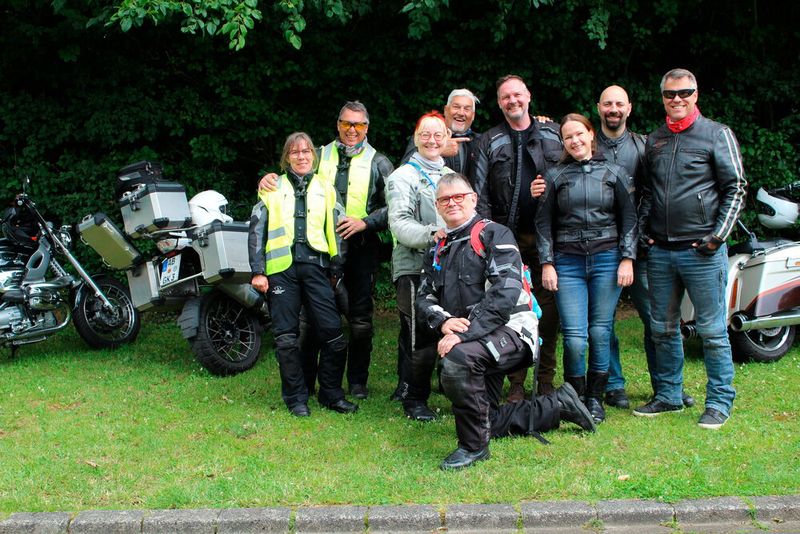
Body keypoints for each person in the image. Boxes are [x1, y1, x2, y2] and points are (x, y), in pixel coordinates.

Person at [416, 173, 596, 470]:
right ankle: (557, 405)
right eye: (445, 199)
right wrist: (444, 323)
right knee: (483, 418)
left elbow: (505, 291)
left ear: (473, 199)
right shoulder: (438, 247)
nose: (453, 203)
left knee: (457, 360)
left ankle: (473, 449)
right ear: (437, 205)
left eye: (459, 196)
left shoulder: (494, 234)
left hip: (513, 330)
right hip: (476, 337)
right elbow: (423, 299)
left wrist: (465, 334)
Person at [634, 68, 747, 429]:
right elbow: (648, 193)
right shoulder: (655, 140)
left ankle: (719, 401)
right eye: (670, 94)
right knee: (663, 329)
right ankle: (669, 396)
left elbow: (736, 187)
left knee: (713, 331)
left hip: (702, 251)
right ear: (662, 97)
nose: (678, 99)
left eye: (685, 92)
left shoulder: (717, 134)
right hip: (662, 252)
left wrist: (717, 236)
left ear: (696, 94)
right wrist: (643, 231)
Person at [259, 102, 393, 401]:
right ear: (338, 124)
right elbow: (294, 177)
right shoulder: (319, 154)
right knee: (311, 322)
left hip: (360, 248)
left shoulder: (379, 162)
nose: (352, 130)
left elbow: (394, 208)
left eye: (358, 125)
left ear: (367, 128)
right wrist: (268, 180)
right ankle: (306, 385)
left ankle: (356, 382)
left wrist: (366, 222)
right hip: (319, 253)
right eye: (346, 123)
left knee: (359, 322)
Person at [596, 85, 696, 411]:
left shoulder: (644, 145)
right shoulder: (586, 142)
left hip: (639, 250)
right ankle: (613, 385)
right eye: (608, 103)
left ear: (630, 108)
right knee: (603, 321)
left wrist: (641, 237)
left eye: (619, 104)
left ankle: (667, 387)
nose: (613, 109)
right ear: (599, 108)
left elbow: (653, 194)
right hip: (597, 249)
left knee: (658, 319)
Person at [535, 113, 638, 423]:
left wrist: (627, 257)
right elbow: (543, 223)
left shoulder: (615, 172)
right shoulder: (554, 176)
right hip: (567, 263)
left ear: (591, 134)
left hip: (608, 259)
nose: (575, 140)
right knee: (576, 338)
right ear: (563, 142)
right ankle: (574, 395)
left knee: (600, 331)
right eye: (568, 137)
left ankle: (595, 398)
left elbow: (630, 218)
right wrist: (547, 263)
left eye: (579, 134)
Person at [249, 132, 358, 417]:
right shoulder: (271, 187)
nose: (301, 156)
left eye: (306, 151)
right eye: (295, 152)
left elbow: (338, 231)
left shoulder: (327, 187)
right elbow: (257, 230)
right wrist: (258, 271)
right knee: (286, 338)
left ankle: (331, 394)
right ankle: (296, 399)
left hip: (317, 268)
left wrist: (337, 267)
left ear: (314, 155)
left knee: (334, 334)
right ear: (287, 158)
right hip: (281, 271)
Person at [470, 74, 563, 401]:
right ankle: (517, 384)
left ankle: (546, 381)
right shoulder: (488, 140)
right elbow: (478, 194)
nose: (513, 101)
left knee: (549, 313)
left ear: (529, 96)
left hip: (548, 238)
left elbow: (572, 173)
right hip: (506, 240)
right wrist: (487, 239)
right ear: (499, 103)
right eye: (506, 97)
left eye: (518, 95)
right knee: (510, 309)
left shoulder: (554, 133)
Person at [386, 111, 451, 421]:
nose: (432, 140)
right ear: (415, 138)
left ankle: (414, 387)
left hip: (446, 268)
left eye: (439, 134)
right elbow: (399, 225)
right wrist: (432, 235)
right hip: (413, 267)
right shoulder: (402, 177)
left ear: (448, 140)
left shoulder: (451, 177)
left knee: (434, 330)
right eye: (425, 134)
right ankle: (415, 402)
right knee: (420, 334)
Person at [401, 88, 481, 176]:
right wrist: (439, 150)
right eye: (456, 107)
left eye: (466, 109)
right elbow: (405, 167)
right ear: (446, 110)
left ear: (473, 115)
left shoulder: (482, 142)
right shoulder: (424, 136)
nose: (461, 113)